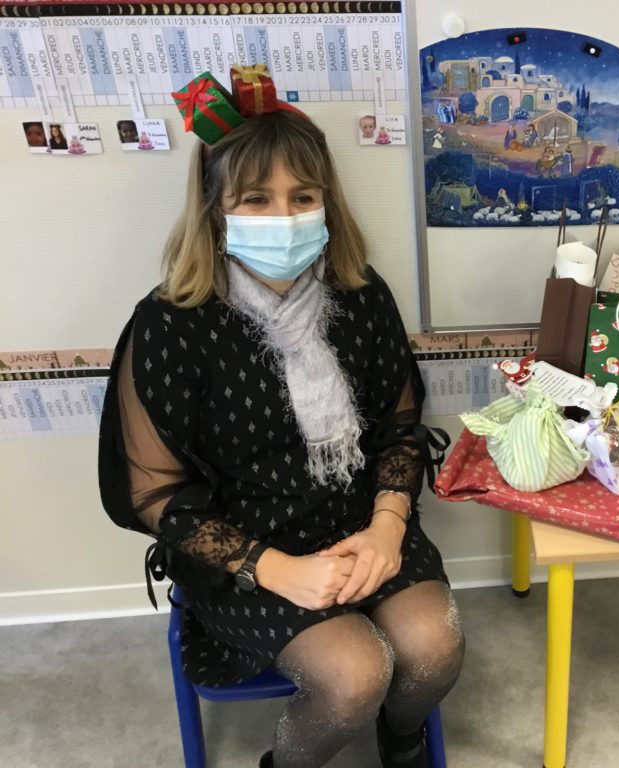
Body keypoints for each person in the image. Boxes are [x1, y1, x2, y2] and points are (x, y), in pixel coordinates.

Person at [98, 107, 464, 768]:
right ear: (216, 209)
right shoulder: (170, 323)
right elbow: (154, 495)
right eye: (255, 199)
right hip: (244, 549)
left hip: (362, 521)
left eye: (302, 196)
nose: (283, 216)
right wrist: (276, 569)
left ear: (327, 201)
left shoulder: (361, 294)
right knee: (355, 677)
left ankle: (403, 739)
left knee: (435, 648)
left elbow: (400, 430)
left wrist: (387, 528)